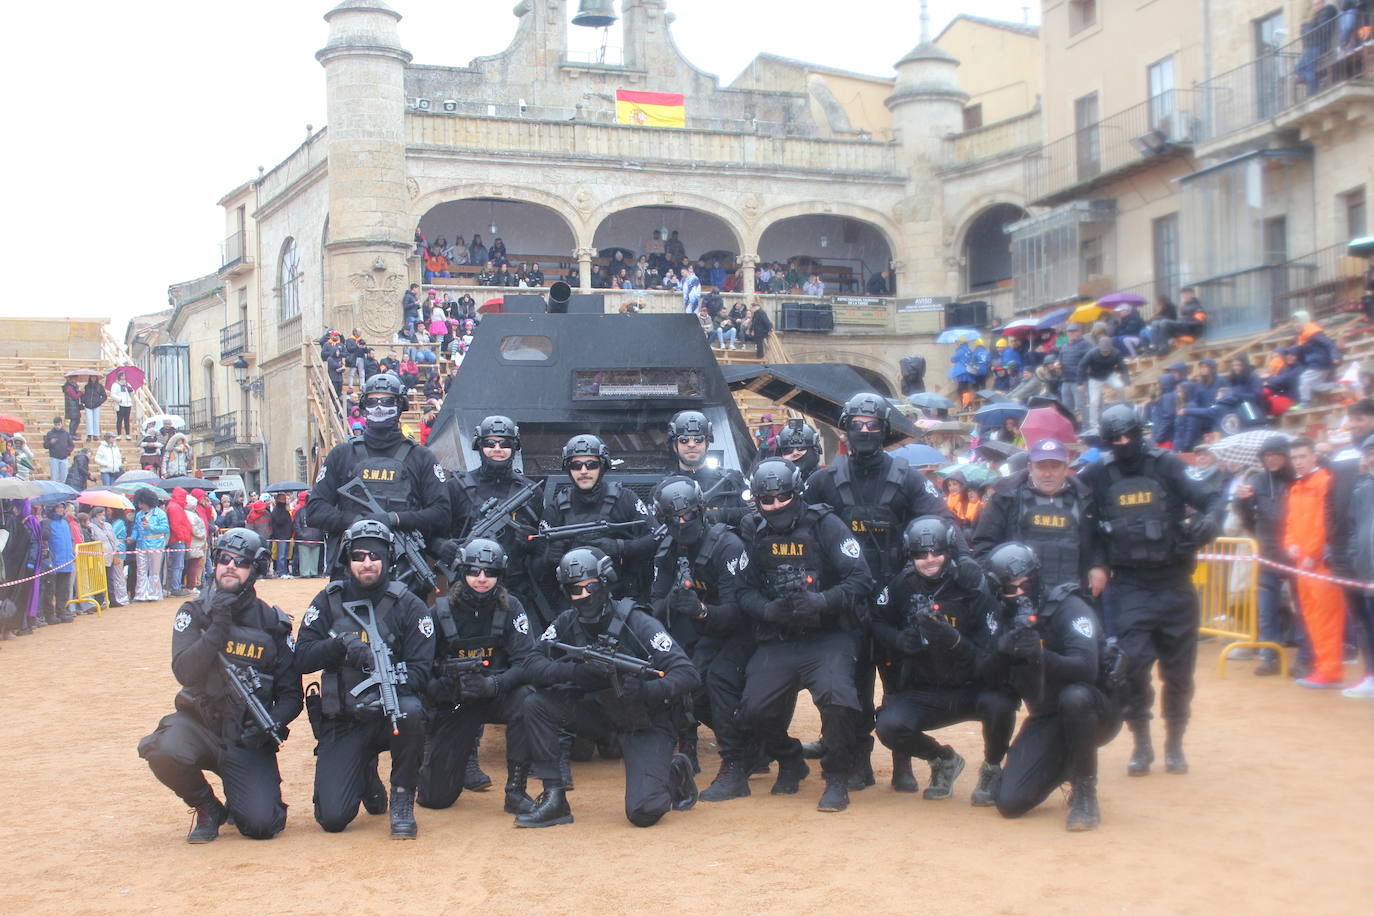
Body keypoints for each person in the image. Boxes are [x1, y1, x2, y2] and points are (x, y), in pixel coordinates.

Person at [803, 393, 954, 790]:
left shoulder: (909, 478)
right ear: (845, 429)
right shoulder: (823, 481)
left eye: (873, 425)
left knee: (900, 683)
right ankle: (856, 760)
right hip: (844, 601)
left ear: (884, 430)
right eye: (858, 424)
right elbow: (798, 528)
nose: (865, 431)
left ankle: (903, 764)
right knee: (849, 686)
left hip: (897, 599)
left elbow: (942, 523)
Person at [1079, 403, 1222, 777]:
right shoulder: (1097, 474)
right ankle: (1141, 742)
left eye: (1128, 435)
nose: (1123, 443)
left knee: (1180, 674)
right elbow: (1087, 526)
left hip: (1175, 583)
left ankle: (1174, 742)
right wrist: (1096, 562)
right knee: (1132, 669)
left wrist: (1209, 520)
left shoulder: (1169, 465)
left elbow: (1212, 498)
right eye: (1115, 439)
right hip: (1130, 588)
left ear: (1140, 433)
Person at [136, 529, 301, 843]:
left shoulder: (272, 624)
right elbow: (184, 671)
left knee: (262, 826)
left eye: (241, 562)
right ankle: (207, 806)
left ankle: (246, 791)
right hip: (201, 726)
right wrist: (218, 628)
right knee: (162, 748)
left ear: (255, 570)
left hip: (247, 738)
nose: (230, 566)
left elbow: (292, 695)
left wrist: (272, 724)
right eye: (224, 559)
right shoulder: (195, 613)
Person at [518, 547, 700, 828]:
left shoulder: (638, 622)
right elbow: (530, 663)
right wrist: (578, 672)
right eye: (574, 590)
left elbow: (687, 674)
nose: (583, 596)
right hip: (601, 719)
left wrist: (647, 690)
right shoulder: (567, 621)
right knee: (536, 702)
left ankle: (675, 771)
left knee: (643, 812)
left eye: (589, 586)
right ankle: (555, 798)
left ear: (604, 582)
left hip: (645, 721)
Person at [735, 458, 875, 812]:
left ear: (796, 492)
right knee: (752, 711)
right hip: (780, 635)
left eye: (783, 496)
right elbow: (742, 590)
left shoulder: (826, 525)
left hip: (827, 634)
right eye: (767, 500)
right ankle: (789, 757)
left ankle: (837, 776)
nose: (775, 505)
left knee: (838, 698)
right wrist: (768, 610)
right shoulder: (752, 529)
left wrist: (822, 601)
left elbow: (861, 578)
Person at [294, 520, 435, 838]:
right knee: (332, 819)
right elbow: (301, 658)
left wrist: (388, 691)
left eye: (375, 556)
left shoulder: (409, 606)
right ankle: (366, 775)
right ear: (346, 560)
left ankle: (401, 800)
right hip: (344, 718)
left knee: (412, 712)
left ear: (388, 559)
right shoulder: (328, 601)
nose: (367, 563)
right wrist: (339, 646)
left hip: (391, 712)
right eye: (358, 556)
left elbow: (422, 670)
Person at [872, 517, 1016, 804]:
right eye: (920, 555)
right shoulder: (902, 584)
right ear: (909, 555)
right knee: (889, 725)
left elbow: (992, 652)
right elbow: (875, 621)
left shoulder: (973, 582)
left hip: (973, 685)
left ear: (949, 550)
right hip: (925, 687)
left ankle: (992, 767)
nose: (929, 560)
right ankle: (942, 759)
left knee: (1002, 704)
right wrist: (900, 639)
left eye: (937, 552)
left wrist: (954, 639)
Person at [983, 543, 1122, 831]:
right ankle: (1065, 763)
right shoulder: (1002, 617)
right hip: (1047, 715)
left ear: (1037, 577)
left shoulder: (1068, 607)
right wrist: (1002, 651)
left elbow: (1086, 668)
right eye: (1010, 589)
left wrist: (1039, 655)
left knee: (1075, 697)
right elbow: (986, 676)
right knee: (1009, 803)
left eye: (1025, 585)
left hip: (1096, 708)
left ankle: (1085, 792)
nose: (1019, 593)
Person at [418, 538, 543, 814]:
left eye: (490, 572)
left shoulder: (512, 608)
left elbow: (526, 663)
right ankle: (448, 764)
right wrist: (442, 688)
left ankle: (516, 790)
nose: (482, 579)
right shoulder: (438, 613)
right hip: (456, 700)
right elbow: (421, 667)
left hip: (496, 694)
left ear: (501, 575)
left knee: (529, 700)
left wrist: (493, 684)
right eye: (474, 571)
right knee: (434, 799)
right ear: (463, 572)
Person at [647, 477, 753, 794]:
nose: (682, 522)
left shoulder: (727, 545)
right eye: (674, 517)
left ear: (700, 511)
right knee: (681, 678)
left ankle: (735, 763)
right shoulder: (668, 547)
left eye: (688, 514)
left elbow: (738, 609)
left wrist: (701, 610)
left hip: (742, 630)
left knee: (717, 679)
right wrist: (674, 601)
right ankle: (701, 743)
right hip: (703, 629)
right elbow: (656, 603)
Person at [304, 372, 450, 594]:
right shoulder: (342, 454)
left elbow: (441, 512)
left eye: (388, 401)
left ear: (401, 405)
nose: (380, 407)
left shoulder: (421, 457)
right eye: (372, 401)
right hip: (349, 573)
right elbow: (314, 511)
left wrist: (395, 519)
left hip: (405, 574)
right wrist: (359, 522)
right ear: (363, 406)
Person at [973, 438, 1107, 597]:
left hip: (1072, 593)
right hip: (1020, 594)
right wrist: (999, 584)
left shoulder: (1085, 499)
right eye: (1041, 467)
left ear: (1066, 467)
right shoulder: (1006, 497)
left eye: (1055, 466)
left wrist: (1099, 566)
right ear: (1030, 467)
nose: (1048, 473)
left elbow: (1099, 539)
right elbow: (984, 545)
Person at [440, 416, 544, 616]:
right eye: (490, 443)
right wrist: (443, 548)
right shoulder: (456, 487)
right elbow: (434, 532)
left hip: (516, 589)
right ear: (479, 446)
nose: (497, 448)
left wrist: (535, 543)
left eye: (505, 443)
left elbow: (543, 550)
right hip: (467, 589)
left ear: (515, 447)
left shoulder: (531, 492)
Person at [534, 434, 657, 602]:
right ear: (568, 469)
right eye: (576, 465)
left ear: (603, 465)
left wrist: (619, 547)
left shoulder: (626, 498)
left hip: (622, 599)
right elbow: (536, 569)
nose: (583, 471)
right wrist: (549, 558)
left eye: (591, 464)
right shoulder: (556, 508)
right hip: (575, 602)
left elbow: (656, 537)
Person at [1283, 438, 1347, 688]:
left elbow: (1325, 522)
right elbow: (1290, 523)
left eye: (1302, 456)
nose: (1298, 461)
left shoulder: (1325, 482)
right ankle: (1323, 666)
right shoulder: (1296, 487)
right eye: (1295, 457)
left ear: (1314, 457)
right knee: (1310, 616)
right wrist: (1290, 544)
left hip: (1320, 564)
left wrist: (1313, 552)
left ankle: (1331, 669)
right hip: (1302, 564)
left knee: (1327, 618)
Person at [1234, 435, 1295, 677]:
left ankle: (1305, 657)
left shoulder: (1297, 479)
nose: (1270, 459)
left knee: (1302, 606)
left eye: (1275, 454)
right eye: (1267, 456)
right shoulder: (1256, 480)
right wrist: (1242, 502)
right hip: (1267, 552)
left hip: (1294, 551)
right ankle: (1270, 656)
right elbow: (1247, 517)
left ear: (1285, 454)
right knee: (1266, 610)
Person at [664, 410, 749, 528]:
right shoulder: (664, 489)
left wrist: (721, 515)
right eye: (684, 440)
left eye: (698, 439)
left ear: (707, 444)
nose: (691, 444)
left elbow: (757, 513)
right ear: (674, 446)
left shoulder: (732, 481)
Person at [1078, 336, 1129, 427]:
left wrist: (1126, 380)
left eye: (1107, 351)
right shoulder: (1092, 353)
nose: (1105, 353)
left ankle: (1124, 409)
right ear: (1099, 348)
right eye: (1103, 351)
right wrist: (1080, 383)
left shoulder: (1116, 353)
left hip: (1109, 375)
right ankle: (1093, 424)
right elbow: (1082, 366)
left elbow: (1123, 367)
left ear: (1111, 349)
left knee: (1120, 386)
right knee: (1094, 402)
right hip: (1095, 378)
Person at [39, 502, 76, 624]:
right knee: (50, 591)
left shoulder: (65, 523)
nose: (60, 510)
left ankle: (62, 611)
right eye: (58, 507)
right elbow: (44, 540)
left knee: (64, 590)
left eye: (62, 507)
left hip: (67, 561)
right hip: (53, 563)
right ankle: (49, 614)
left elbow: (70, 540)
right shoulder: (47, 523)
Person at [133, 488, 170, 602]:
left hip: (156, 544)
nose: (139, 505)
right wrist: (133, 537)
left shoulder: (160, 514)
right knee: (141, 570)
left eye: (141, 503)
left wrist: (150, 527)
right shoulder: (139, 514)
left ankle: (154, 594)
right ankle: (141, 594)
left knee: (154, 571)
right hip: (141, 544)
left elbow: (165, 528)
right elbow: (136, 528)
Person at [772, 419, 822, 483]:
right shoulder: (776, 482)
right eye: (788, 450)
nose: (795, 453)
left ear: (814, 449)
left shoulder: (826, 481)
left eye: (801, 448)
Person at [267, 492, 295, 579]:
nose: (284, 501)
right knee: (281, 555)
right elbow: (278, 521)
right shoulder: (276, 510)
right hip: (280, 536)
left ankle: (285, 570)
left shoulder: (285, 510)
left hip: (287, 536)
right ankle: (280, 571)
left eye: (285, 499)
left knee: (286, 555)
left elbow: (289, 522)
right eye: (282, 499)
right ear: (278, 500)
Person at [43, 418, 74, 484]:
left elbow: (71, 445)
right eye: (56, 425)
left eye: (58, 424)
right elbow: (45, 446)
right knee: (54, 477)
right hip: (54, 458)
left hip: (64, 458)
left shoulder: (66, 433)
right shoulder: (50, 433)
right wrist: (50, 442)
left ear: (61, 424)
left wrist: (67, 452)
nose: (57, 426)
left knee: (64, 477)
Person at [110, 371, 135, 439]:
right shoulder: (115, 385)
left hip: (128, 404)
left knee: (127, 419)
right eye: (122, 376)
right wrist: (120, 399)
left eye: (124, 376)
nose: (124, 377)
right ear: (119, 376)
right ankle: (119, 434)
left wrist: (131, 390)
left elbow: (132, 393)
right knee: (120, 419)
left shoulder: (127, 384)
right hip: (120, 404)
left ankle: (127, 434)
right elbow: (112, 395)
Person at [81, 376, 107, 441]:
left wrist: (99, 402)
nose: (93, 378)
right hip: (88, 405)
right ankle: (89, 435)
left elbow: (104, 396)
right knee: (89, 420)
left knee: (96, 420)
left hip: (96, 405)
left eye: (94, 377)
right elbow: (83, 395)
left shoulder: (100, 386)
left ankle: (96, 435)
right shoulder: (86, 386)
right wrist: (84, 400)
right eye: (92, 377)